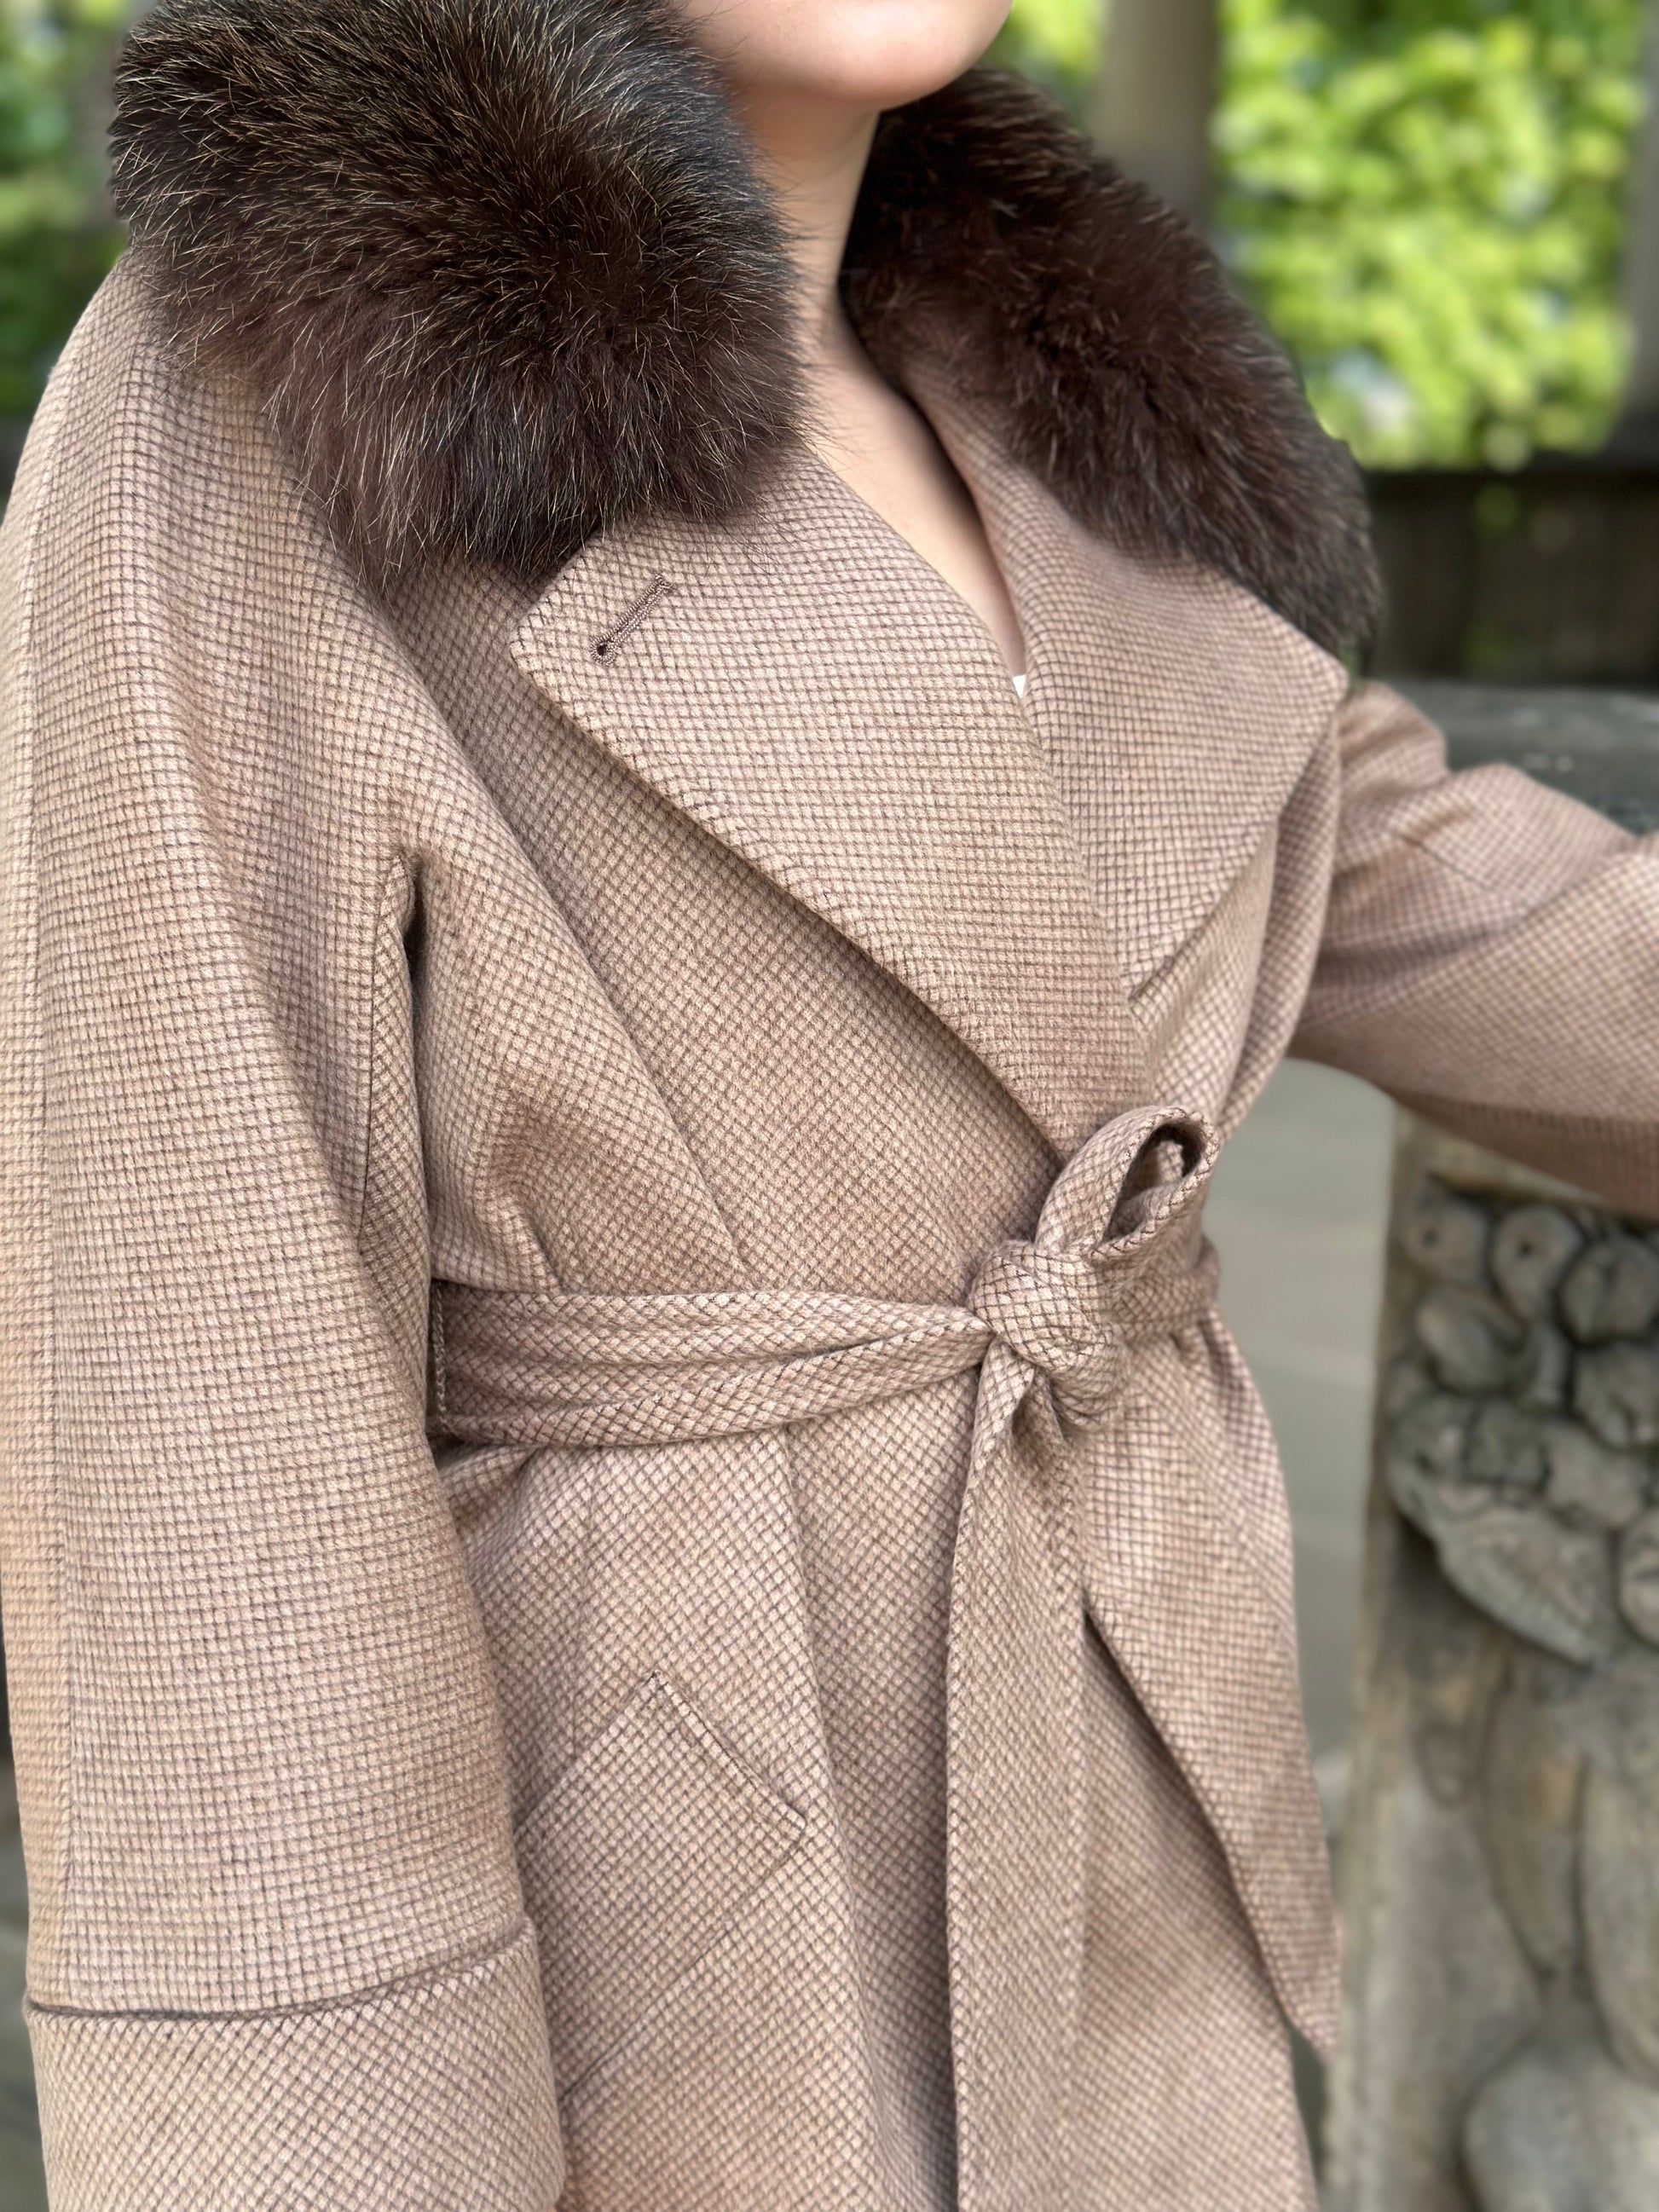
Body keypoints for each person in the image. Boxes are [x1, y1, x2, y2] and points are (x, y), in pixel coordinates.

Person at [0, 0, 1653, 2207]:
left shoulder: (1066, 426)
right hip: (669, 1952)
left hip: (1130, 1818)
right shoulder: (258, 380)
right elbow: (201, 1436)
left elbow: (1436, 887)